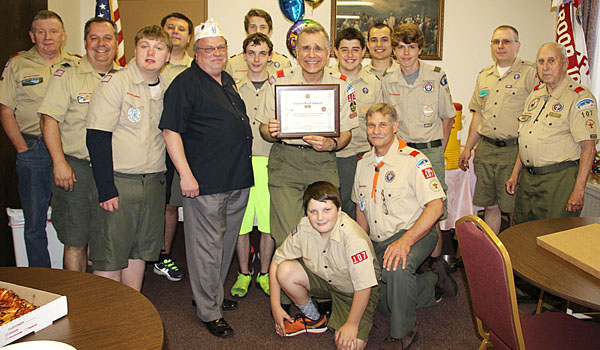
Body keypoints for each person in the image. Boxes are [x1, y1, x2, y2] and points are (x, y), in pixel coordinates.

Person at [159, 19, 253, 339]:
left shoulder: (227, 79)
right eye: (208, 49)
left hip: (236, 178)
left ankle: (211, 295)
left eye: (221, 47)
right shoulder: (185, 84)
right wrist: (185, 175)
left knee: (224, 245)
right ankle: (208, 311)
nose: (216, 53)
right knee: (206, 249)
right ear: (195, 52)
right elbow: (170, 131)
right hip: (205, 182)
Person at [352, 103, 457, 349]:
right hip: (380, 239)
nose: (376, 130)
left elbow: (436, 207)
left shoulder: (414, 160)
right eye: (371, 125)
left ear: (395, 127)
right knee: (384, 304)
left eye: (382, 124)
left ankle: (404, 333)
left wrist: (404, 242)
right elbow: (361, 208)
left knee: (396, 267)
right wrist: (362, 246)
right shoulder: (362, 164)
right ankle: (431, 283)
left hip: (415, 233)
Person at [86, 25, 172, 291]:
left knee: (140, 253)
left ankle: (132, 313)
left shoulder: (168, 88)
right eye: (145, 45)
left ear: (168, 56)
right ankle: (107, 319)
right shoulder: (116, 83)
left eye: (159, 48)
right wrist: (105, 189)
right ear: (134, 50)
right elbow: (97, 137)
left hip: (153, 183)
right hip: (119, 183)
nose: (151, 53)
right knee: (110, 256)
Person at [257, 23, 358, 248]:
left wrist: (331, 144)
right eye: (305, 48)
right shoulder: (278, 81)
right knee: (288, 234)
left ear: (329, 51)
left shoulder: (342, 84)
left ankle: (320, 282)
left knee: (325, 231)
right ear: (296, 51)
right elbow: (263, 128)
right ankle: (291, 281)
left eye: (318, 48)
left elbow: (347, 132)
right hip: (286, 162)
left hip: (322, 162)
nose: (311, 55)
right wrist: (272, 132)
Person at [38, 17, 119, 272]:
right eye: (94, 38)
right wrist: (59, 163)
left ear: (117, 42)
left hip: (114, 171)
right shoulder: (67, 75)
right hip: (77, 169)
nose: (101, 44)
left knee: (108, 239)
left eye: (107, 38)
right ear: (85, 42)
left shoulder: (125, 78)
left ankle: (102, 300)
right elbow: (48, 120)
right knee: (76, 240)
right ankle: (76, 300)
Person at [0, 10, 79, 267]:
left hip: (70, 149)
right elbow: (5, 110)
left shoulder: (77, 64)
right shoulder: (18, 64)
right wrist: (22, 150)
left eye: (53, 31)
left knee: (74, 217)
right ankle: (44, 280)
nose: (48, 37)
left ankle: (75, 276)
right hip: (32, 148)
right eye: (41, 32)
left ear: (63, 35)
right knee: (34, 222)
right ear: (32, 36)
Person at [270, 181, 380, 350]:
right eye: (313, 211)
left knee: (348, 346)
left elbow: (364, 287)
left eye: (326, 210)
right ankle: (315, 318)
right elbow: (276, 262)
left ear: (339, 209)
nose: (320, 218)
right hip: (326, 280)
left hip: (354, 292)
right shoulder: (304, 227)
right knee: (285, 270)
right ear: (306, 213)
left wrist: (351, 324)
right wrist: (276, 306)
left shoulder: (353, 239)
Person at [382, 23, 456, 259]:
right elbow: (385, 121)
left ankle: (435, 268)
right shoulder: (388, 79)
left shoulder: (435, 76)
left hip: (430, 152)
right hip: (401, 154)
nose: (406, 53)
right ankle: (410, 265)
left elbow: (447, 118)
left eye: (411, 47)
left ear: (420, 49)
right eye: (401, 47)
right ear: (394, 50)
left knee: (432, 212)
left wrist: (438, 151)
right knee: (402, 209)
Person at [506, 42, 598, 224]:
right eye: (541, 61)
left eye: (551, 61)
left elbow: (589, 148)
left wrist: (579, 190)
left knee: (553, 234)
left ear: (565, 64)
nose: (545, 67)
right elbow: (526, 137)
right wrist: (515, 173)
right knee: (522, 231)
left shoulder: (579, 97)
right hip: (528, 178)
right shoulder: (535, 95)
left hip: (558, 180)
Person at [458, 25, 537, 234]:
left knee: (513, 208)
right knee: (490, 206)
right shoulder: (485, 75)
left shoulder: (530, 73)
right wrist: (468, 148)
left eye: (506, 41)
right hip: (485, 150)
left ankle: (515, 258)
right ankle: (494, 258)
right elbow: (478, 115)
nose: (500, 46)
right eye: (496, 42)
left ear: (517, 46)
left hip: (513, 151)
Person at [229, 33, 276, 298]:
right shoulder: (233, 88)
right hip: (243, 164)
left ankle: (265, 273)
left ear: (270, 55)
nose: (256, 59)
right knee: (242, 224)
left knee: (268, 224)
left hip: (271, 161)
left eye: (261, 53)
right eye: (251, 52)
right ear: (244, 56)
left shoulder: (280, 87)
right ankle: (244, 273)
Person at [152, 12, 194, 282]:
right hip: (154, 147)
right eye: (171, 27)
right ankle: (155, 253)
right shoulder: (150, 63)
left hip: (186, 147)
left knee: (181, 204)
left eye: (182, 29)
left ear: (190, 38)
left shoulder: (197, 67)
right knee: (159, 203)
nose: (176, 32)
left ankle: (178, 255)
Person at [332, 27, 382, 220]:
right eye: (344, 49)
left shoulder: (374, 83)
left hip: (361, 155)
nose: (350, 55)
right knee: (330, 207)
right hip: (329, 155)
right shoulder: (325, 79)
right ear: (335, 52)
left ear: (363, 52)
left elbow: (378, 122)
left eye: (355, 49)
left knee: (359, 209)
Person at [225, 8, 291, 81]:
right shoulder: (232, 64)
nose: (258, 31)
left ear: (270, 31)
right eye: (253, 27)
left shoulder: (283, 63)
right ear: (246, 31)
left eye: (263, 27)